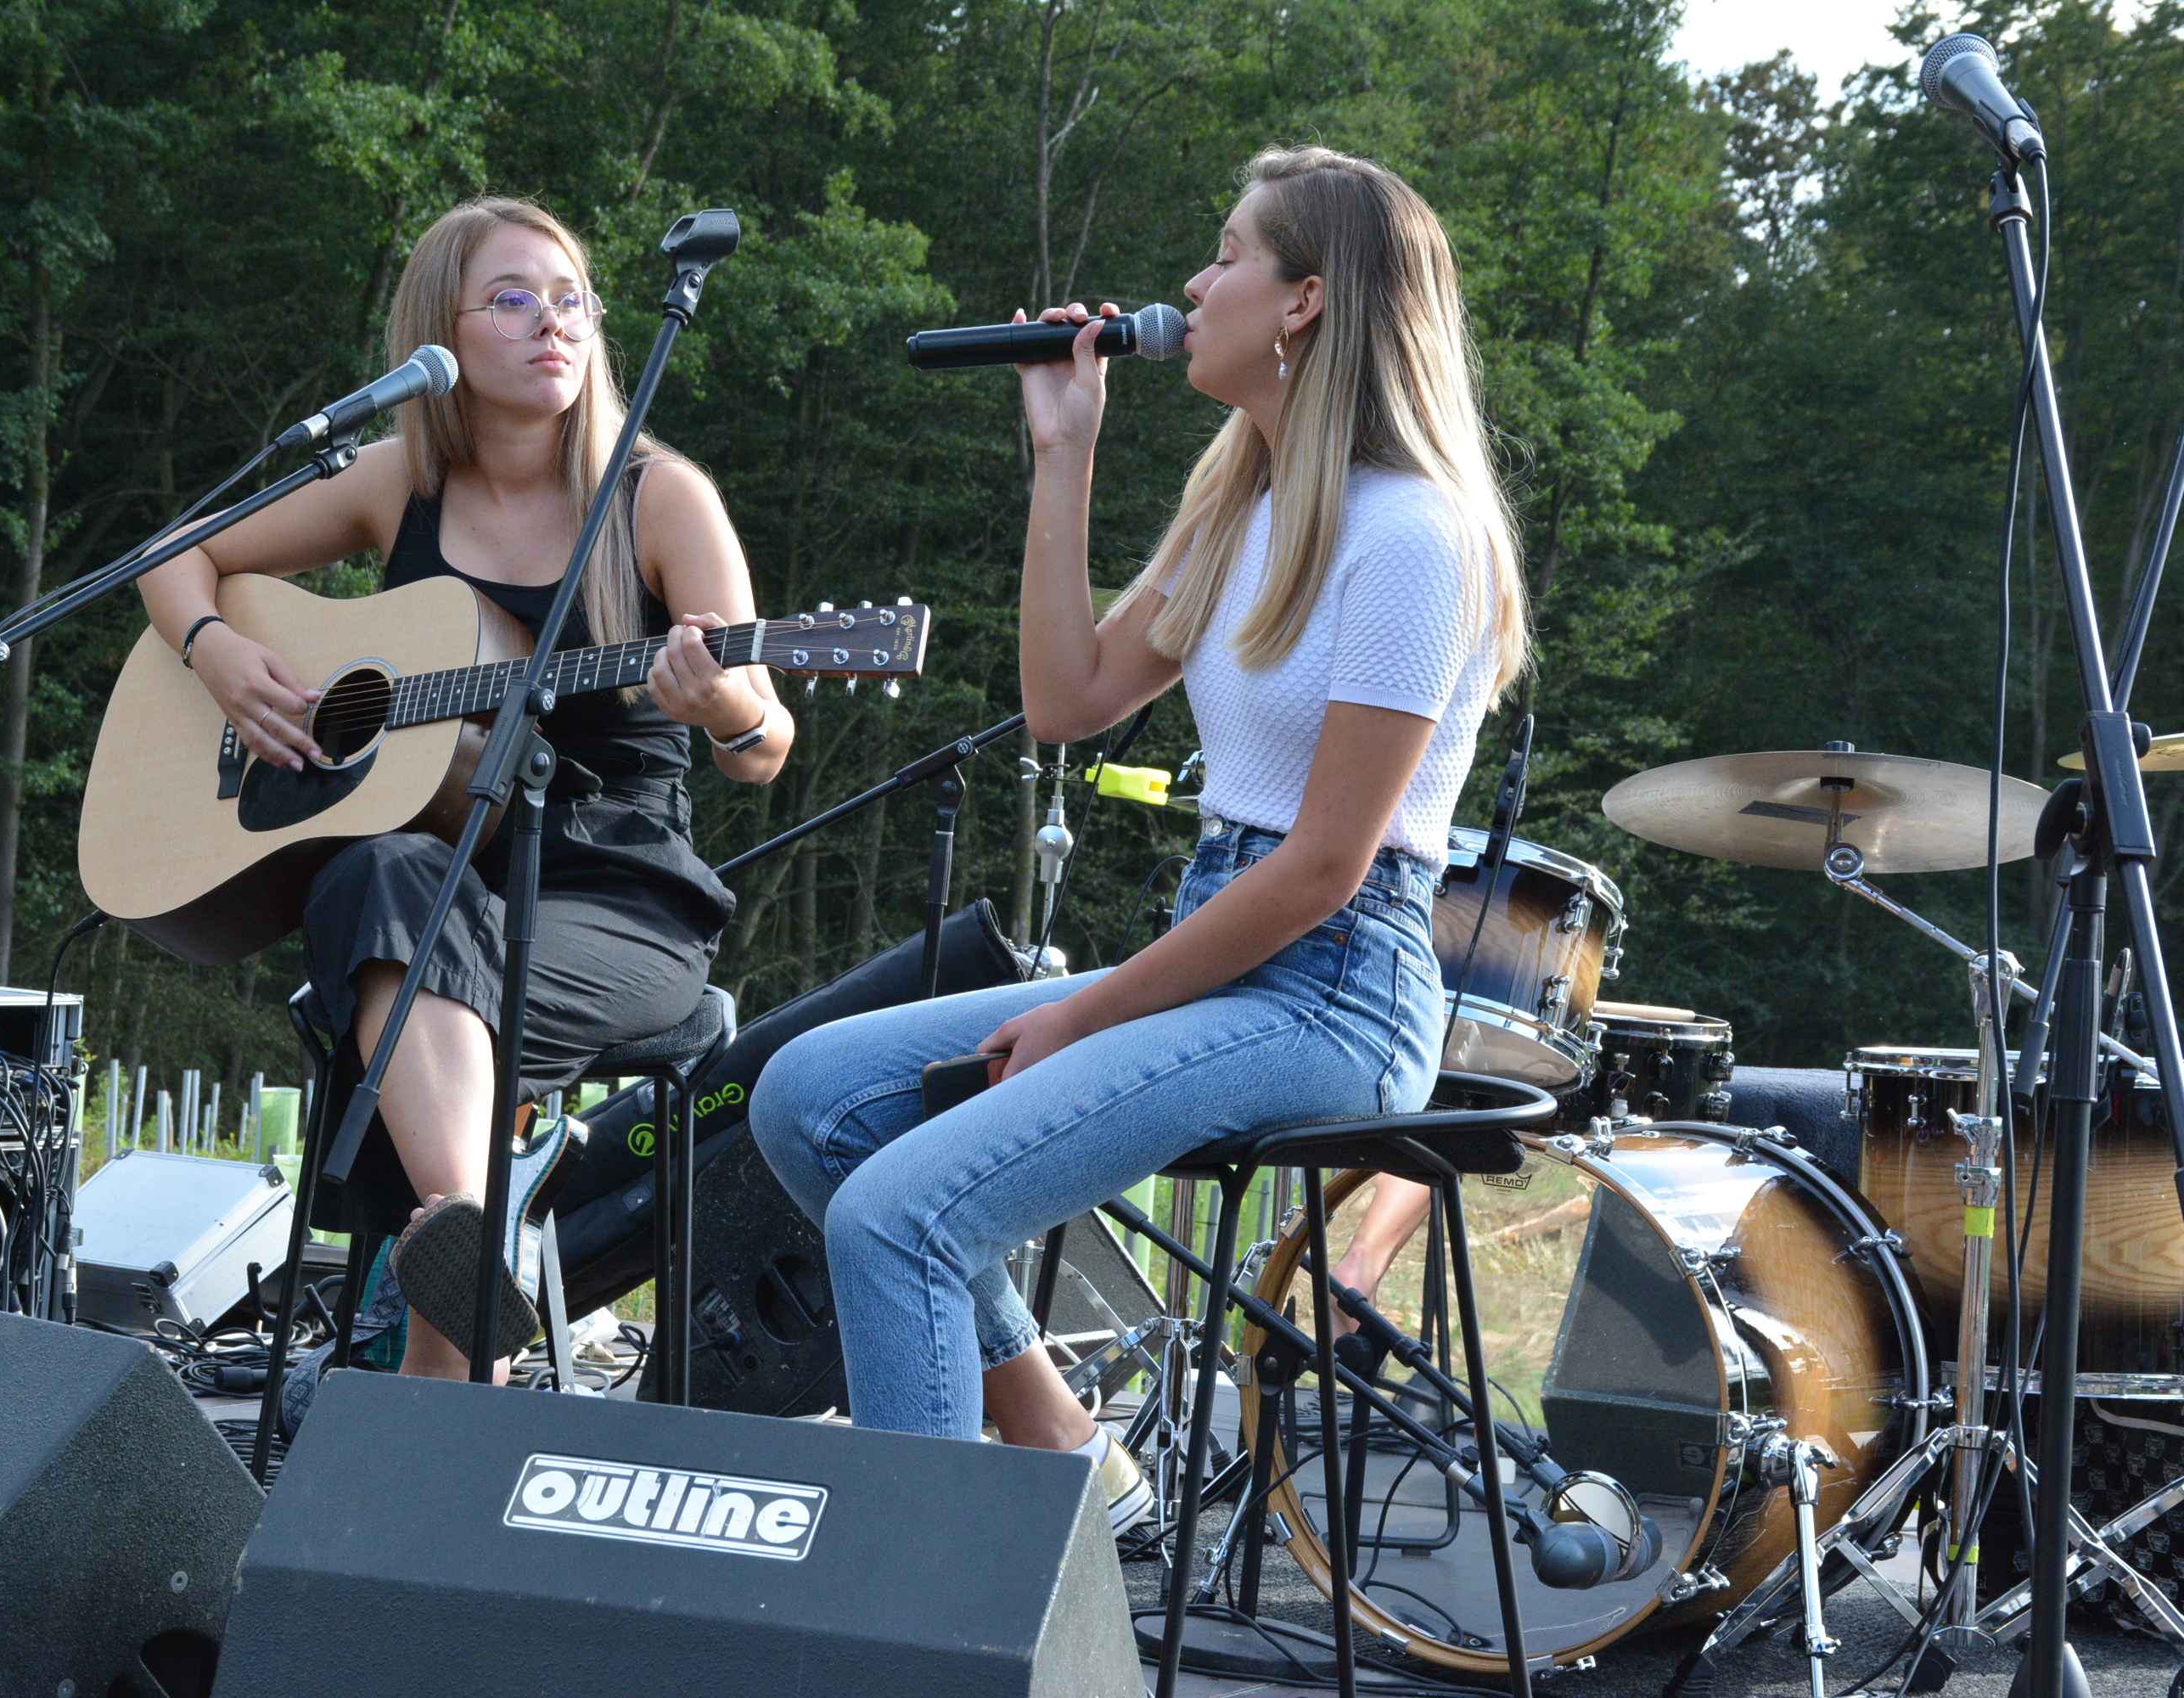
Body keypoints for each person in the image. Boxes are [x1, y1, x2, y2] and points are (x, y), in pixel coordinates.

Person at [747, 147, 1529, 1530]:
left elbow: (1326, 868)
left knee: (899, 1220)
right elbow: (1068, 700)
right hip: (1234, 951)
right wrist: (1066, 450)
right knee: (809, 1095)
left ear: (1303, 303)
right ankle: (1065, 1450)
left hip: (1337, 986)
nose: (1190, 282)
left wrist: (1089, 1013)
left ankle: (917, 1627)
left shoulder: (1418, 534)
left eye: (1227, 252)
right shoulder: (1246, 502)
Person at [138, 195, 792, 1381]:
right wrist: (218, 654)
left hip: (620, 900)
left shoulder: (658, 497)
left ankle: (445, 1270)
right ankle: (461, 1241)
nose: (555, 322)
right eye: (514, 298)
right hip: (440, 891)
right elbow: (179, 555)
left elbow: (767, 742)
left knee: (432, 974)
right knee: (378, 877)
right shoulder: (398, 486)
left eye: (573, 298)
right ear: (440, 330)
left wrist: (726, 703)